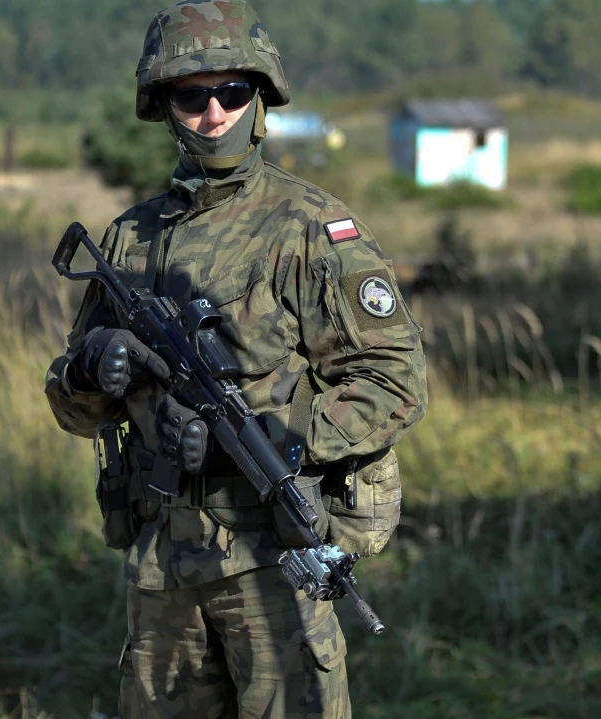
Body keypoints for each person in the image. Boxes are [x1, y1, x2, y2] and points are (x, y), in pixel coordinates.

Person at [44, 2, 428, 716]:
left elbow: (395, 379)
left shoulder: (310, 229)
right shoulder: (128, 240)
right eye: (192, 96)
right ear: (164, 106)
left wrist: (282, 433)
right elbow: (71, 407)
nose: (213, 113)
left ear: (260, 100)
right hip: (163, 567)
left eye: (232, 92)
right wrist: (94, 366)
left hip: (270, 560)